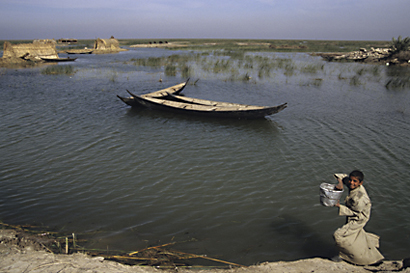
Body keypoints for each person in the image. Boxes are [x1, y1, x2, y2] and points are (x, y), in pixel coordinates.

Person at [333, 170, 384, 265]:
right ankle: (371, 249)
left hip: (359, 218)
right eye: (350, 180)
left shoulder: (359, 198)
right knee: (354, 234)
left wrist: (339, 206)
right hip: (355, 211)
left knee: (339, 235)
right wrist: (340, 183)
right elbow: (341, 175)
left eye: (355, 181)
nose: (351, 183)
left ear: (361, 183)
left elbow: (355, 213)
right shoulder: (351, 184)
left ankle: (347, 257)